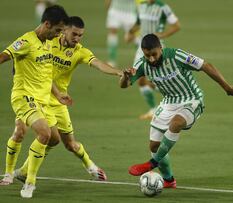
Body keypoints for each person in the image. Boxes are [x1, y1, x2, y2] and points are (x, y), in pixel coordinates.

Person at [13, 16, 124, 184]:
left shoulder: (80, 51)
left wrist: (118, 72)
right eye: (74, 34)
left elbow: (99, 64)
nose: (77, 39)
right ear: (64, 30)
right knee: (49, 137)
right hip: (40, 99)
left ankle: (91, 166)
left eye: (80, 35)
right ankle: (25, 172)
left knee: (70, 144)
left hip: (60, 102)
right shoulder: (49, 43)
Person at [120, 34, 233, 188]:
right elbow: (124, 84)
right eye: (147, 55)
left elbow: (206, 65)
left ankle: (152, 163)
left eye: (154, 54)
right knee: (154, 146)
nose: (151, 59)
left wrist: (227, 87)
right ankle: (169, 180)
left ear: (161, 49)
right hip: (168, 103)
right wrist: (125, 77)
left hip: (191, 99)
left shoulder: (176, 56)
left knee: (176, 123)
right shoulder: (142, 64)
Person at [0, 5, 68, 198]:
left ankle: (18, 173)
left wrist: (57, 94)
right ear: (47, 24)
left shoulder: (47, 43)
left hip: (43, 100)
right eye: (57, 30)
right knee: (44, 134)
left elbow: (46, 74)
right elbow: (4, 56)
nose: (58, 35)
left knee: (54, 139)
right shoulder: (25, 41)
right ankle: (29, 182)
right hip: (24, 97)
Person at [126, 0, 181, 120]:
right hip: (143, 49)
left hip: (157, 50)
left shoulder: (163, 7)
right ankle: (153, 110)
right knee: (140, 79)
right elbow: (138, 23)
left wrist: (163, 35)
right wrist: (130, 33)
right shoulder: (142, 6)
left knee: (161, 78)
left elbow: (177, 25)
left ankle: (175, 98)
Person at [105, 0, 139, 66]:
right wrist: (109, 8)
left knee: (134, 36)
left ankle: (143, 58)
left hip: (130, 11)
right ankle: (112, 61)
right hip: (115, 9)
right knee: (112, 32)